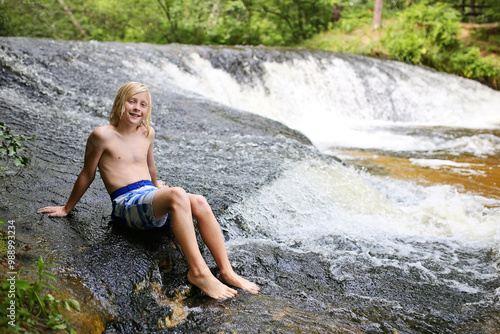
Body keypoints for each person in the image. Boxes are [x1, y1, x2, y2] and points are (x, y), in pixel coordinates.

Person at [38, 82, 259, 300]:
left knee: (199, 200)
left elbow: (150, 165)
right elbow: (87, 173)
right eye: (131, 101)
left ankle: (226, 271)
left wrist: (156, 189)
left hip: (147, 195)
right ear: (119, 103)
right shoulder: (102, 135)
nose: (137, 108)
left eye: (143, 104)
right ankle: (199, 272)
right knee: (177, 193)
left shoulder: (147, 133)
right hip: (126, 204)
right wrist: (67, 208)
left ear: (148, 109)